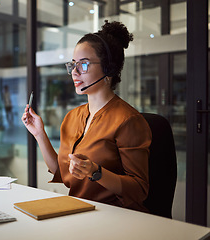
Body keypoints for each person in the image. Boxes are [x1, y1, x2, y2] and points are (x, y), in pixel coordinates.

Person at [21, 20, 152, 212]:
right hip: (79, 210)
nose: (74, 72)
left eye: (83, 64)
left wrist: (97, 172)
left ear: (108, 69)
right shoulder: (72, 117)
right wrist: (39, 134)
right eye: (73, 65)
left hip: (115, 216)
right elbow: (62, 173)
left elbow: (139, 189)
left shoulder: (128, 120)